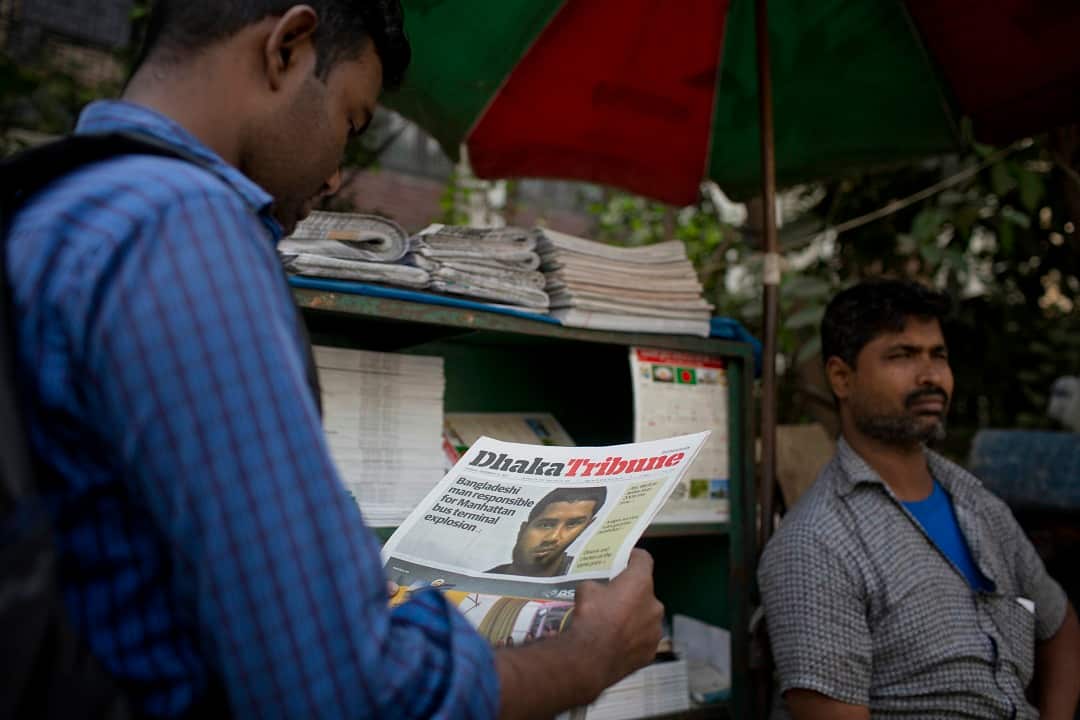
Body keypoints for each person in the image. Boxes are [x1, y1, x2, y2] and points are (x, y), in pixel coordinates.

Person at [5, 2, 665, 718]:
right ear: (287, 46)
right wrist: (585, 658)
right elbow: (340, 692)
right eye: (350, 123)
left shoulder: (42, 207)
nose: (332, 178)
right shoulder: (181, 229)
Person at [759, 279, 1080, 720]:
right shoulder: (815, 544)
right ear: (841, 377)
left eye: (938, 355)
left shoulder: (979, 504)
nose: (930, 376)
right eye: (902, 356)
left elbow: (1058, 623)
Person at [487, 487, 606, 577]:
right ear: (523, 529)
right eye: (545, 525)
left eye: (572, 524)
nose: (553, 537)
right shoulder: (486, 577)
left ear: (587, 526)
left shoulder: (588, 577)